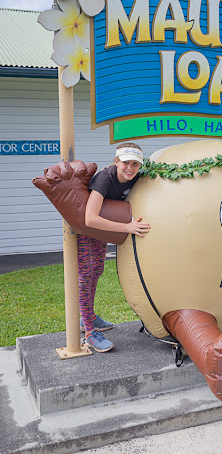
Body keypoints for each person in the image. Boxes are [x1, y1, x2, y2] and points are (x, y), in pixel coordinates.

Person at [79, 142, 150, 353]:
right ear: (116, 161)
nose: (130, 168)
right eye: (126, 162)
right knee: (86, 274)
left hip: (105, 228)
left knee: (97, 270)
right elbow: (90, 219)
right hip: (86, 230)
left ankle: (88, 316)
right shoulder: (105, 178)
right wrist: (126, 227)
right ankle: (89, 332)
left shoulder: (136, 177)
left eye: (135, 164)